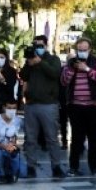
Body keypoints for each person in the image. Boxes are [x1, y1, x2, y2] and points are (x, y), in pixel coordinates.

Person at [20, 36, 65, 179]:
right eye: (35, 45)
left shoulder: (53, 59)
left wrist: (40, 62)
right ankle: (31, 167)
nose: (37, 48)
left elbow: (55, 73)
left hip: (48, 104)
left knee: (52, 138)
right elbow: (23, 76)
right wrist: (29, 63)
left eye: (40, 45)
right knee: (30, 139)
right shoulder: (30, 61)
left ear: (45, 46)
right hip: (31, 104)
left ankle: (56, 166)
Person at [63, 38, 96, 176]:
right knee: (76, 138)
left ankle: (95, 167)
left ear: (90, 49)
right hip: (76, 106)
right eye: (79, 50)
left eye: (84, 50)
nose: (81, 52)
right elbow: (64, 81)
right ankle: (73, 167)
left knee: (94, 138)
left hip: (94, 106)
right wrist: (72, 69)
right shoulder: (71, 63)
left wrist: (87, 69)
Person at [0, 96, 27, 184]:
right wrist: (5, 147)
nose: (12, 110)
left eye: (14, 108)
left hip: (12, 151)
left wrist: (17, 146)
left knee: (23, 173)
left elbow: (29, 130)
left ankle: (7, 170)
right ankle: (0, 173)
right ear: (4, 107)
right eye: (9, 108)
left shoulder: (18, 120)